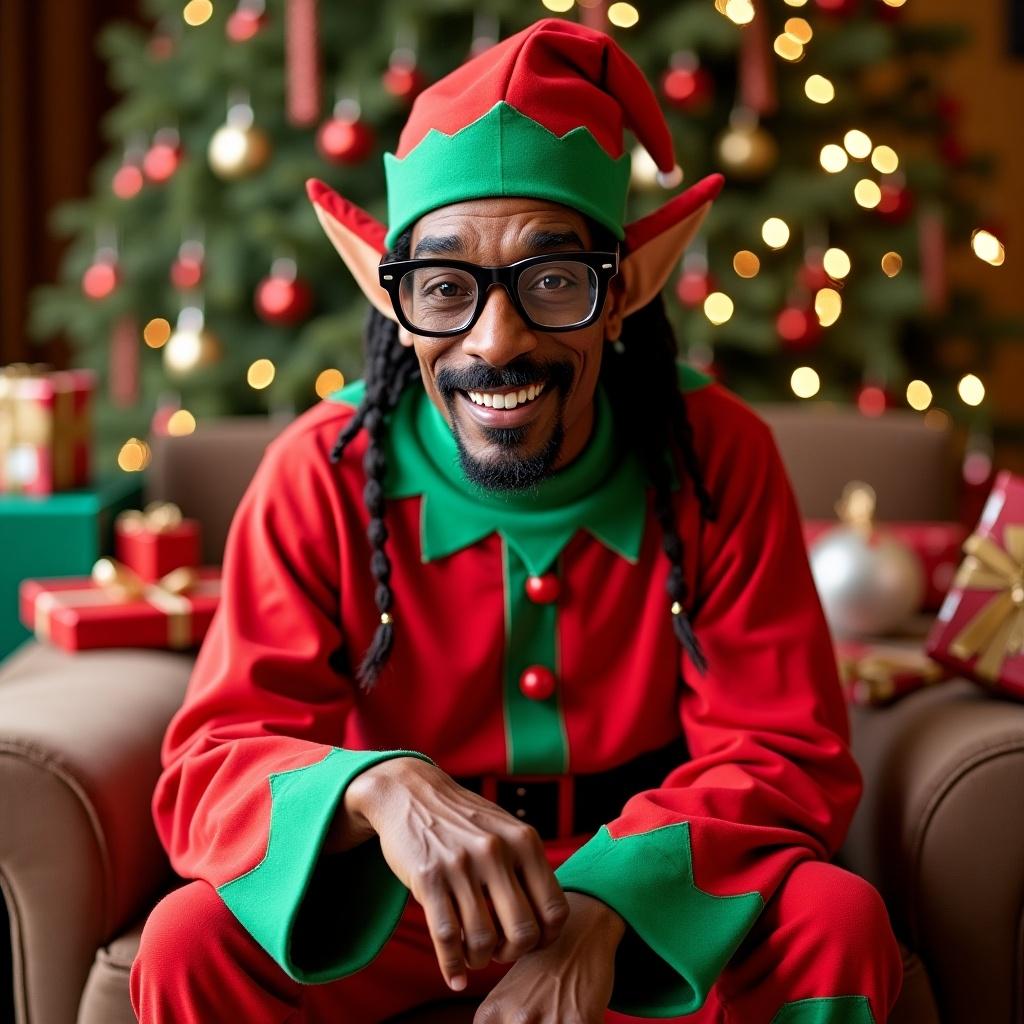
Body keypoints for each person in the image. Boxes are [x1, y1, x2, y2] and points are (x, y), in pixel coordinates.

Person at [130, 17, 903, 1024]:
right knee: (190, 943)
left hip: (651, 888)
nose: (498, 342)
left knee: (832, 921)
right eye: (446, 287)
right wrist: (380, 787)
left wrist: (603, 907)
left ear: (619, 291)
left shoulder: (716, 454)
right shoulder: (318, 471)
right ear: (397, 305)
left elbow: (781, 747)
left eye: (551, 283)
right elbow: (215, 756)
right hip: (397, 904)